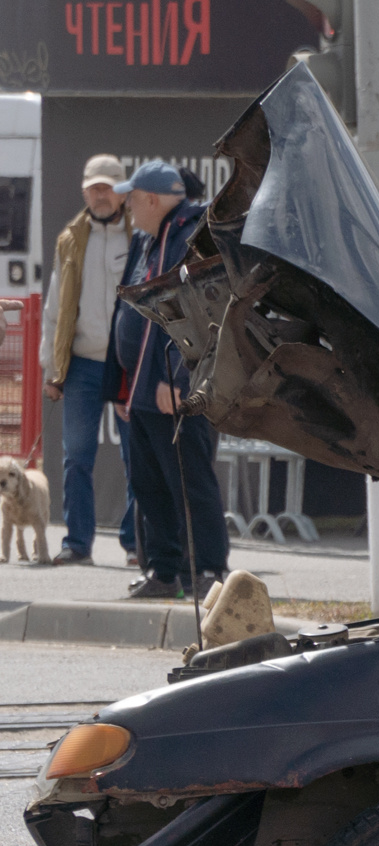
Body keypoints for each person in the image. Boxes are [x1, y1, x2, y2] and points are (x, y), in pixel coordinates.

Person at [103, 160, 228, 600]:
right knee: (149, 483)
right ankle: (163, 569)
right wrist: (120, 386)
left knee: (190, 482)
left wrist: (176, 379)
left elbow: (195, 316)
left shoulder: (192, 239)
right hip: (139, 391)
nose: (128, 207)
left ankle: (209, 569)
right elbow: (129, 310)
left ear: (152, 200)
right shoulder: (145, 240)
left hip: (177, 390)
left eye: (133, 199)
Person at [39, 154, 133, 566]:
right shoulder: (70, 239)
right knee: (77, 456)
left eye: (108, 187)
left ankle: (137, 545)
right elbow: (54, 309)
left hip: (129, 362)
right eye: (94, 187)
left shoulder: (140, 236)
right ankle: (77, 544)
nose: (101, 194)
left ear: (122, 191)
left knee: (138, 457)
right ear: (84, 191)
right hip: (81, 363)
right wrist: (52, 369)